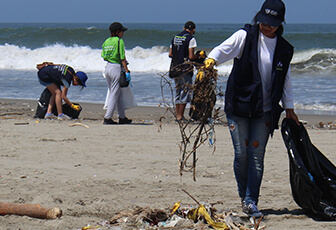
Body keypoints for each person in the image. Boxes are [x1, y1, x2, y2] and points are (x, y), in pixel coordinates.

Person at [204, 0, 300, 217]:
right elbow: (221, 50)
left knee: (257, 156)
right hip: (238, 106)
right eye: (263, 22)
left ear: (280, 23)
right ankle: (244, 196)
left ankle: (250, 201)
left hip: (264, 111)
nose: (266, 27)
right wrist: (210, 62)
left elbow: (286, 80)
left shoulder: (284, 49)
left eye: (272, 24)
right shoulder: (245, 36)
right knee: (242, 154)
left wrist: (289, 108)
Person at [169, 21, 206, 122]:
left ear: (183, 28)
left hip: (175, 68)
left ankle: (178, 116)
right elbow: (190, 56)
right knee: (185, 92)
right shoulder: (191, 38)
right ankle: (180, 117)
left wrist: (179, 56)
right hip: (185, 69)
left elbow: (170, 54)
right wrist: (199, 56)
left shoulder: (175, 37)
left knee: (178, 91)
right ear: (193, 30)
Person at [101, 22, 132, 125]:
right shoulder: (119, 41)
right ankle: (107, 117)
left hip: (108, 68)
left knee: (117, 93)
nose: (123, 33)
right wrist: (126, 71)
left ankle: (122, 117)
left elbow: (104, 56)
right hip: (116, 68)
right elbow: (122, 58)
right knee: (114, 93)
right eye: (122, 31)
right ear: (117, 32)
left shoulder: (106, 41)